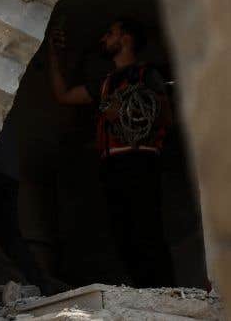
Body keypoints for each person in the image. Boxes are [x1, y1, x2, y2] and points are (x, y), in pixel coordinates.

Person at [48, 18, 175, 288]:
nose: (103, 39)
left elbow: (165, 117)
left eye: (110, 33)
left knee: (146, 231)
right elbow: (64, 96)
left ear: (126, 39)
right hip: (112, 166)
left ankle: (165, 292)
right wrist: (53, 55)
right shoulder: (104, 83)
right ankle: (143, 294)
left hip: (141, 161)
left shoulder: (147, 75)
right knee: (123, 234)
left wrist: (127, 115)